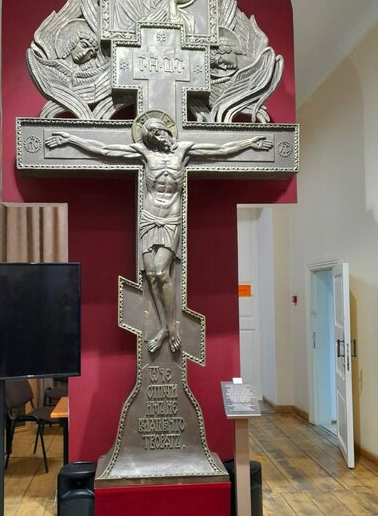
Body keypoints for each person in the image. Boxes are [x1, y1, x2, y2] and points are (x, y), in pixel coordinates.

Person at [45, 119, 271, 353]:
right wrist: (70, 139)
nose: (158, 137)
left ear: (166, 130)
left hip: (171, 219)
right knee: (151, 275)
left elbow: (221, 150)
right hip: (148, 218)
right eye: (152, 134)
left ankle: (172, 327)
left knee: (162, 271)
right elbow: (104, 149)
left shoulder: (183, 150)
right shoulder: (145, 153)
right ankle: (163, 326)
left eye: (158, 132)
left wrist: (250, 143)